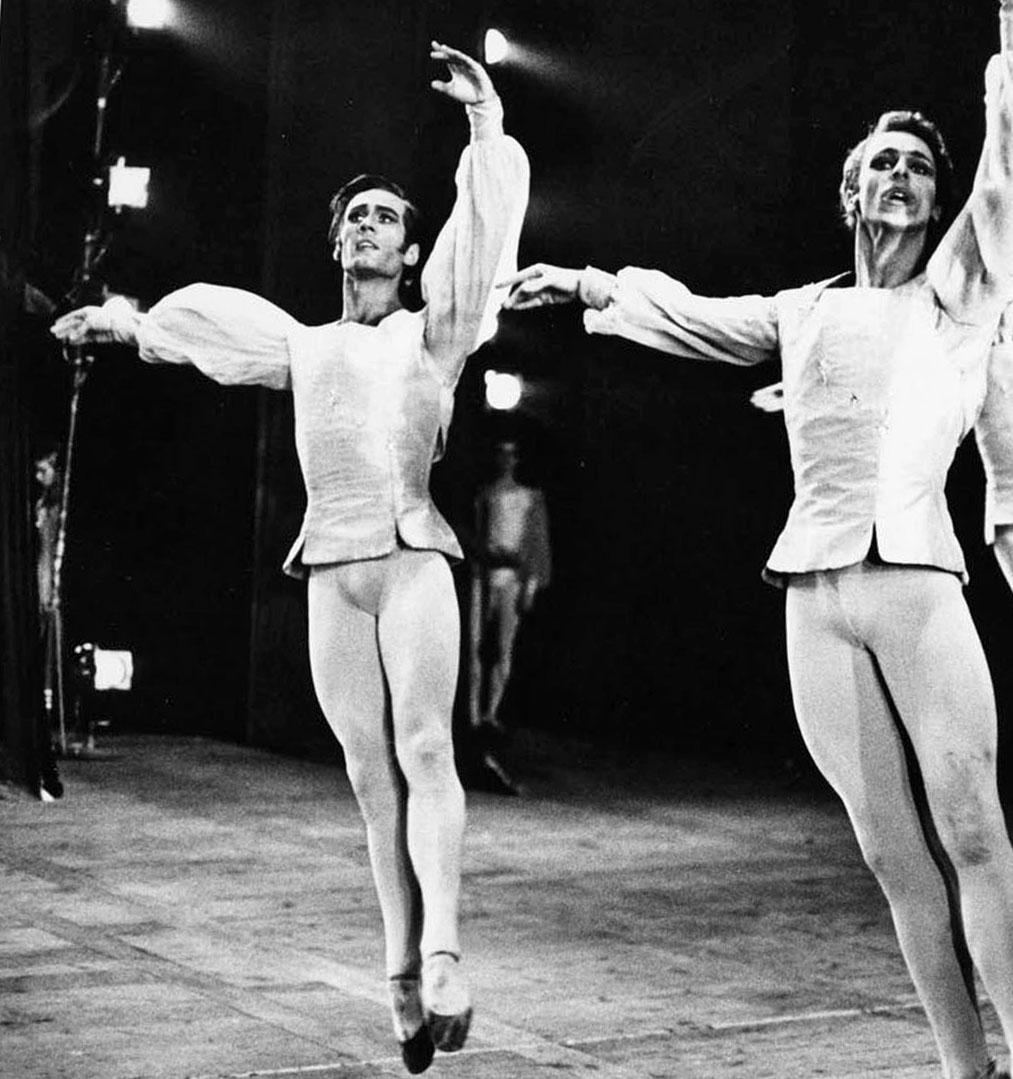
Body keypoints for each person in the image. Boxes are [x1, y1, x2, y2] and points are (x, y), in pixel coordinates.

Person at [500, 6, 1013, 1077]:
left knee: (970, 827)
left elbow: (1002, 173)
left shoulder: (959, 293)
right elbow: (688, 316)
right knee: (886, 851)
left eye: (920, 165)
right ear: (848, 190)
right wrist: (588, 283)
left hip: (916, 585)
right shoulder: (801, 311)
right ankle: (963, 1065)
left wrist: (1006, 37)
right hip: (813, 596)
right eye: (883, 161)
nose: (902, 177)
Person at [51, 42, 529, 1075]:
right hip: (333, 573)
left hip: (411, 560)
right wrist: (122, 324)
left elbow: (482, 245)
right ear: (336, 246)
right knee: (368, 779)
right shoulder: (303, 346)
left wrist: (484, 127)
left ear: (408, 255)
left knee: (426, 752)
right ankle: (399, 976)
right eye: (354, 216)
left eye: (386, 220)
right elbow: (207, 334)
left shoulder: (433, 336)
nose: (368, 227)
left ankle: (445, 956)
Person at [468, 439, 551, 733]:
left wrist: (529, 585)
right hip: (484, 575)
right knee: (475, 647)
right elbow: (477, 534)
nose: (506, 460)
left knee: (504, 648)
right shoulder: (485, 496)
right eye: (501, 454)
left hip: (511, 578)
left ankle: (490, 712)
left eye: (511, 455)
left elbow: (537, 545)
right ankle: (474, 713)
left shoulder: (529, 498)